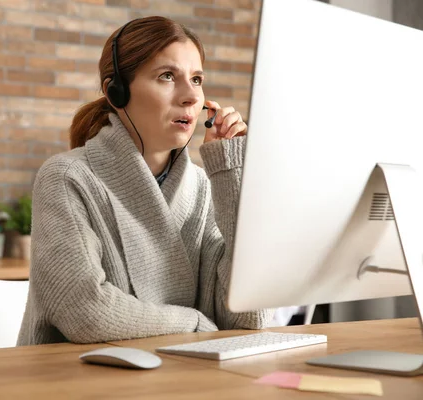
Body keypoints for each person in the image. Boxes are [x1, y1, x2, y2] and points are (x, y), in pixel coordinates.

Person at [18, 16, 274, 346]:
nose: (190, 97)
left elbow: (247, 317)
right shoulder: (66, 178)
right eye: (167, 76)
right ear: (117, 91)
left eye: (196, 79)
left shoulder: (201, 187)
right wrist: (195, 323)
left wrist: (227, 172)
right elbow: (85, 312)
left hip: (178, 380)